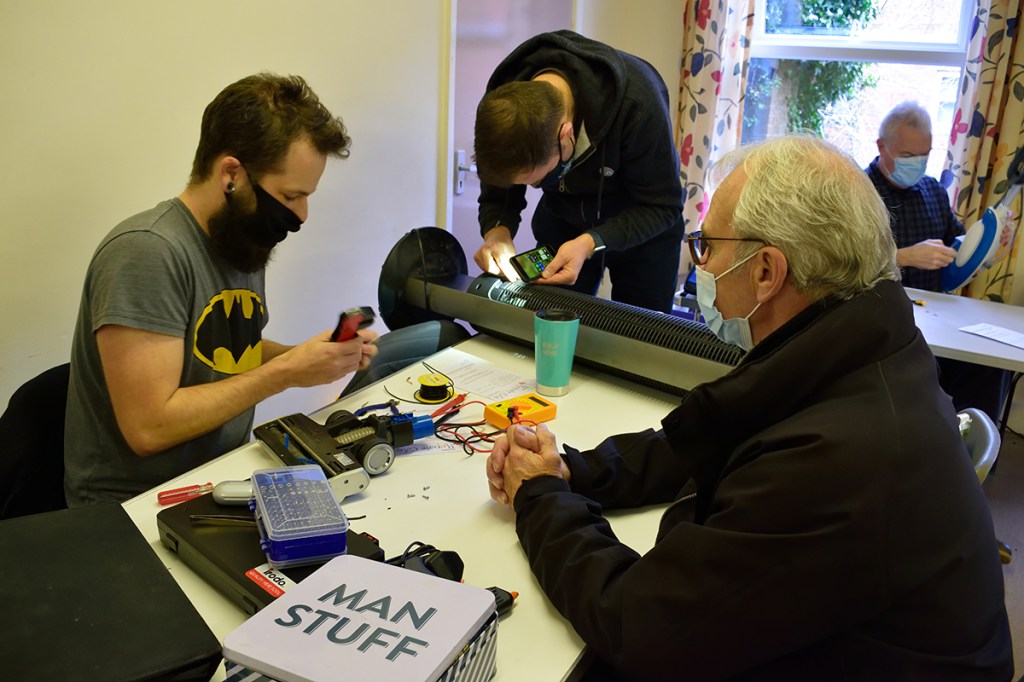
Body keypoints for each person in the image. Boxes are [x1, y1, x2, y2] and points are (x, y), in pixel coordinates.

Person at [485, 135, 1013, 680]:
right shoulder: (858, 344)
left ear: (766, 271)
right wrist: (573, 470)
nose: (701, 264)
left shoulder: (840, 457)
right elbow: (716, 431)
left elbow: (639, 623)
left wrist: (540, 494)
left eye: (707, 247)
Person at [65, 73, 467, 506]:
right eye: (291, 196)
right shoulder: (146, 253)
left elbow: (228, 350)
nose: (302, 214)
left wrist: (308, 356)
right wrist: (286, 374)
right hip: (135, 509)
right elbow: (150, 427)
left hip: (220, 476)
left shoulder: (239, 239)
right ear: (232, 174)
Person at [473, 30, 684, 313]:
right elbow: (499, 187)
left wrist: (590, 242)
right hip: (564, 219)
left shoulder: (638, 104)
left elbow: (663, 206)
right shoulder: (503, 101)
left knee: (641, 337)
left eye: (539, 179)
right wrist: (497, 230)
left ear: (566, 136)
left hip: (643, 223)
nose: (534, 188)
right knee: (551, 323)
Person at [867, 101, 1010, 423]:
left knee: (990, 365)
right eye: (907, 156)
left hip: (935, 317)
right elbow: (841, 262)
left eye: (924, 155)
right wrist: (902, 256)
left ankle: (969, 455)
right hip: (882, 320)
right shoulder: (858, 195)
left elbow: (956, 250)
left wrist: (990, 246)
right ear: (881, 146)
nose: (917, 164)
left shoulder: (932, 190)